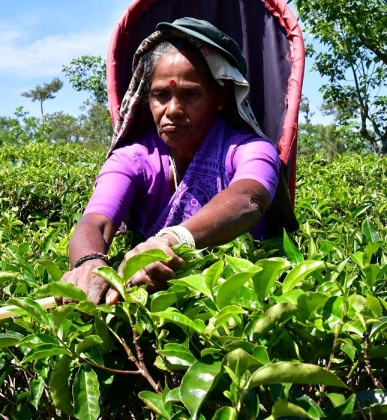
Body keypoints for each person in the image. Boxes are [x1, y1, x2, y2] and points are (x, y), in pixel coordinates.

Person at [61, 18, 281, 305]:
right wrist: (88, 262)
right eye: (161, 95)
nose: (173, 110)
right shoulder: (133, 160)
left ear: (220, 96)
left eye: (190, 94)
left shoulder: (249, 149)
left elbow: (248, 197)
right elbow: (95, 222)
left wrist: (174, 240)